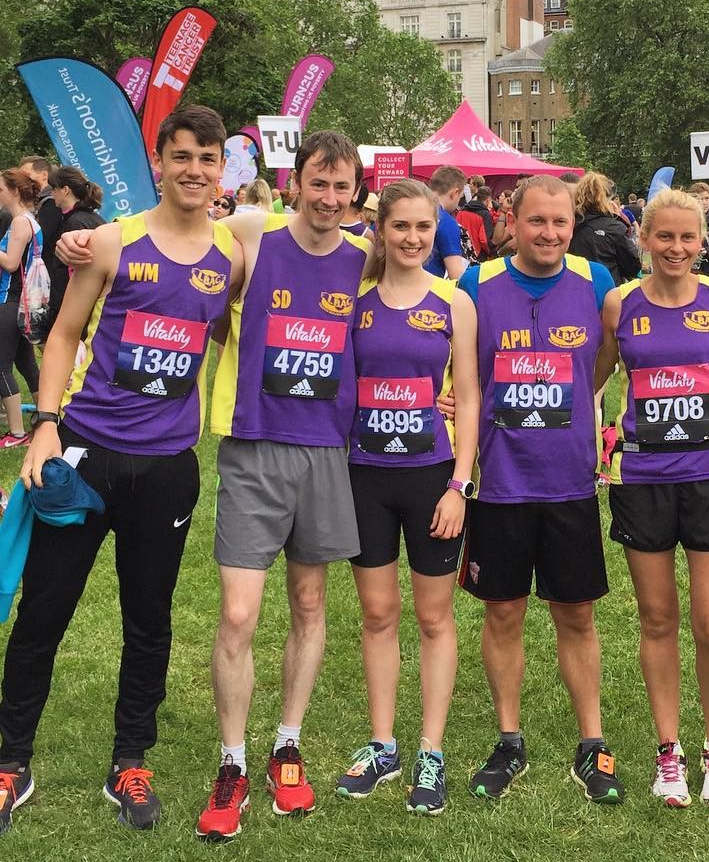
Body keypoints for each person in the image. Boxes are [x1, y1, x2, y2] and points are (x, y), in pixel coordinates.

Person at [0, 106, 239, 834]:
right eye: (183, 156)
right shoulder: (109, 241)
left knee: (149, 621)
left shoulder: (234, 253)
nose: (195, 169)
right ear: (159, 163)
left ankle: (130, 760)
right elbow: (66, 332)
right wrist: (43, 427)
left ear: (221, 169)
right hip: (86, 455)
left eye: (208, 158)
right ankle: (11, 761)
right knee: (44, 610)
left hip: (167, 467)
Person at [195, 131, 372, 840]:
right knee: (239, 615)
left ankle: (287, 744)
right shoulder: (250, 231)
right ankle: (233, 760)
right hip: (254, 446)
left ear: (356, 190)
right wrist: (87, 243)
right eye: (318, 184)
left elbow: (420, 310)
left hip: (328, 450)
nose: (329, 199)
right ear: (293, 181)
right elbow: (173, 243)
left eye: (342, 187)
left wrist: (438, 390)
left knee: (308, 601)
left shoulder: (367, 254)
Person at [457, 175, 626, 805]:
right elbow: (462, 366)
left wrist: (583, 399)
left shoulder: (595, 283)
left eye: (559, 223)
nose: (550, 234)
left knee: (576, 613)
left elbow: (604, 356)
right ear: (512, 220)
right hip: (500, 480)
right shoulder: (477, 284)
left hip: (568, 481)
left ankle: (592, 742)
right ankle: (508, 739)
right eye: (537, 223)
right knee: (503, 611)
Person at [594, 189, 709, 809]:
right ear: (644, 239)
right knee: (658, 619)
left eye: (688, 238)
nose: (677, 248)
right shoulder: (620, 303)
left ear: (702, 242)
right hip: (643, 477)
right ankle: (668, 751)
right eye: (665, 237)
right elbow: (594, 378)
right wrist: (592, 437)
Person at [334, 180, 479, 816]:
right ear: (381, 230)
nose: (414, 238)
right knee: (377, 614)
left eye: (425, 228)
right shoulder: (353, 301)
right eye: (401, 228)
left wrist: (459, 486)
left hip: (431, 477)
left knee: (433, 617)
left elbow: (469, 397)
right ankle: (383, 743)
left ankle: (431, 751)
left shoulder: (454, 303)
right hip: (363, 476)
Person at [0, 171, 43, 447]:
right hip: (22, 301)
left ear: (14, 190)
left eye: (1, 188)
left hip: (8, 300)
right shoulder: (30, 220)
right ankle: (46, 419)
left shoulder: (19, 221)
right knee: (26, 364)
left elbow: (11, 263)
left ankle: (16, 434)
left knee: (1, 368)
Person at [45, 166, 105, 325]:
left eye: (54, 189)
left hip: (76, 309)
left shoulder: (76, 222)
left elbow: (78, 270)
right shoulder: (89, 218)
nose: (51, 194)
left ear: (65, 190)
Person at [568, 172, 640, 285]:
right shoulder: (614, 227)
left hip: (575, 288)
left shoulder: (568, 224)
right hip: (607, 292)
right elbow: (632, 267)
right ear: (605, 198)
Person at [424, 165, 468, 279]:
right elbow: (456, 275)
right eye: (460, 197)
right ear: (455, 193)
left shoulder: (402, 212)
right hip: (429, 290)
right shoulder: (446, 222)